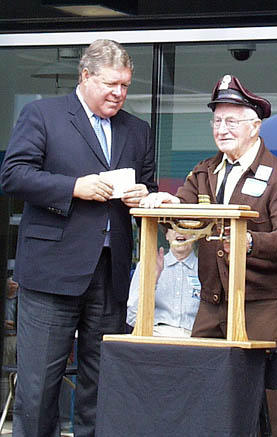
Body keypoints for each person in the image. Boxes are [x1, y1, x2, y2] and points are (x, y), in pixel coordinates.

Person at [0, 39, 157, 437]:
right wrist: (74, 187)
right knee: (38, 388)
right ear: (84, 76)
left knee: (102, 385)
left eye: (125, 85)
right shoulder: (43, 115)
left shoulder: (138, 130)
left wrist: (144, 196)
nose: (119, 93)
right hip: (52, 272)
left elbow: (151, 190)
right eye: (110, 84)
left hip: (110, 274)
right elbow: (13, 175)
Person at [140, 74, 277, 436]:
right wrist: (169, 207)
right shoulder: (204, 170)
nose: (222, 129)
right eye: (217, 121)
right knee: (202, 396)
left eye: (231, 121)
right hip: (212, 303)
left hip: (262, 305)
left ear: (255, 126)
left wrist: (250, 243)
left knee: (261, 406)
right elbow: (187, 219)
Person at [127, 225, 200, 337]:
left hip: (195, 338)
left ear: (195, 235)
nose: (179, 232)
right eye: (174, 228)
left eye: (185, 228)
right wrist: (152, 281)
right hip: (156, 337)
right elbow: (132, 317)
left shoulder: (206, 269)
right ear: (166, 235)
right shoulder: (149, 264)